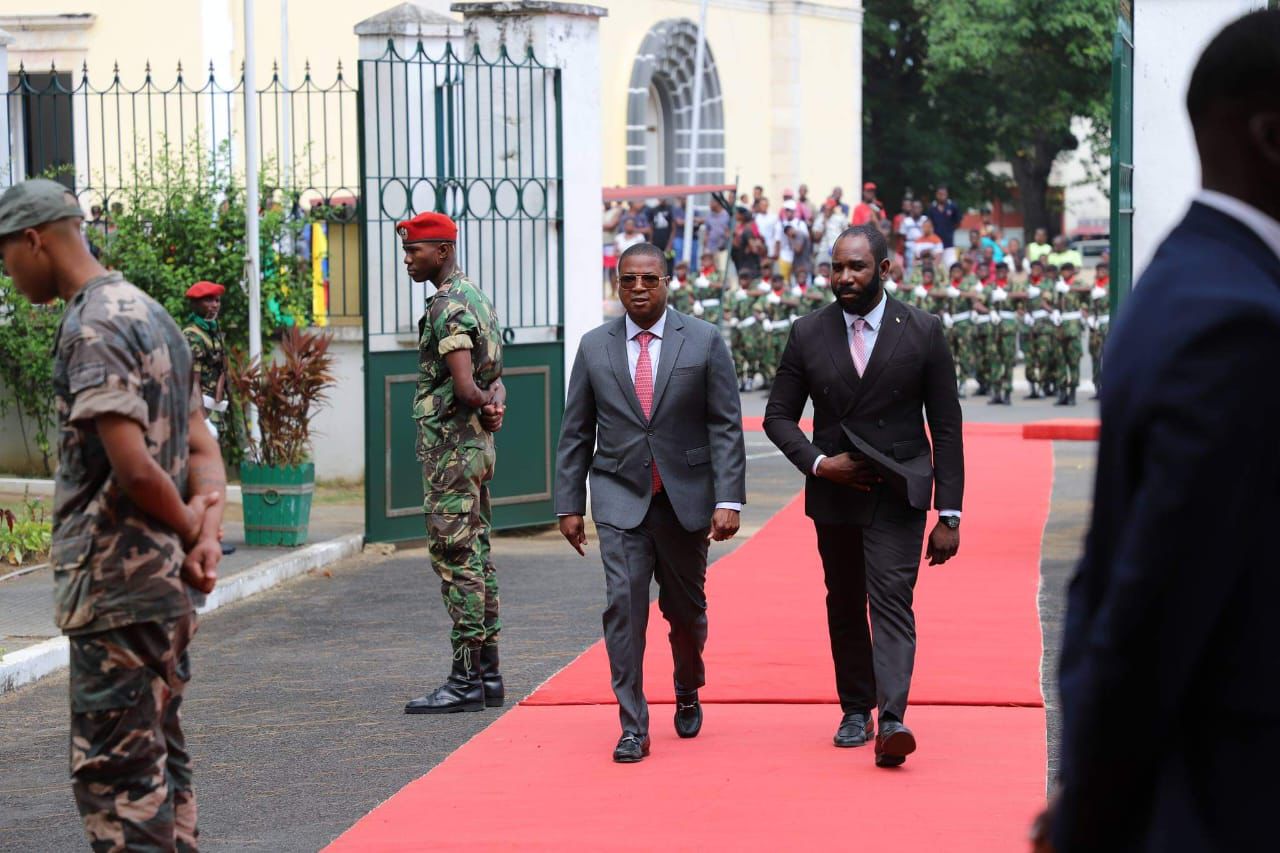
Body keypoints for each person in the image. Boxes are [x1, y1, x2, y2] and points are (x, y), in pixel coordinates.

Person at [1038, 11, 1280, 850]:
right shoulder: (1240, 321)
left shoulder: (1192, 277)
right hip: (1228, 798)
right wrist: (1089, 814)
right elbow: (1151, 599)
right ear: (1270, 133)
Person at [0, 178, 226, 850]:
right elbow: (202, 450)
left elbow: (131, 467)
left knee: (118, 787)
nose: (8, 273)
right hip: (164, 594)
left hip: (116, 591)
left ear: (35, 239)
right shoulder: (156, 317)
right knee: (164, 773)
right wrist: (205, 534)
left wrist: (191, 529)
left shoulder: (93, 325)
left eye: (6, 256)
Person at [763, 224, 963, 767]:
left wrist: (950, 512)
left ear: (885, 269)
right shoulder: (808, 332)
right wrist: (821, 464)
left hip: (899, 491)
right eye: (837, 268)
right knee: (845, 601)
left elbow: (945, 426)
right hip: (836, 492)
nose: (845, 278)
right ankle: (857, 708)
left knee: (892, 600)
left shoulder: (922, 330)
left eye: (857, 267)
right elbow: (777, 416)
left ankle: (893, 718)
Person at [555, 241, 747, 763]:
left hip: (685, 501)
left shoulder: (704, 341)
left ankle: (687, 685)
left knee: (685, 614)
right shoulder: (595, 347)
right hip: (619, 498)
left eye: (648, 279)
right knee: (624, 608)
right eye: (627, 280)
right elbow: (576, 431)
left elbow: (725, 425)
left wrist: (729, 498)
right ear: (617, 285)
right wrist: (569, 503)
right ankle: (632, 724)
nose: (637, 288)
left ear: (667, 282)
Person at [401, 211, 509, 715]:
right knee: (477, 553)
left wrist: (479, 400)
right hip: (475, 451)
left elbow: (466, 386)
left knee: (455, 558)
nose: (407, 259)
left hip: (451, 453)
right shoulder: (477, 297)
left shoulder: (447, 306)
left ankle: (465, 679)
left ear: (441, 251)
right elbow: (495, 378)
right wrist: (493, 403)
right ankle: (488, 675)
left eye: (414, 251)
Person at [1087, 262, 1109, 399]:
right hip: (1095, 325)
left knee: (1107, 357)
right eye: (1098, 270)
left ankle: (1108, 387)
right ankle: (1097, 387)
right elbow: (1088, 305)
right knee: (1095, 357)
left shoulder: (1110, 286)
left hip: (1107, 324)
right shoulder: (1094, 287)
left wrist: (1105, 293)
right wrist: (1089, 317)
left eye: (1103, 270)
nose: (1100, 272)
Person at [926, 185, 963, 266]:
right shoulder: (932, 208)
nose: (942, 196)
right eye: (940, 194)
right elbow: (928, 224)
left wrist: (950, 231)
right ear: (936, 195)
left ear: (947, 195)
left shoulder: (952, 206)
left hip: (949, 244)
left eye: (944, 194)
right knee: (935, 268)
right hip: (935, 244)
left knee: (952, 266)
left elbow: (958, 222)